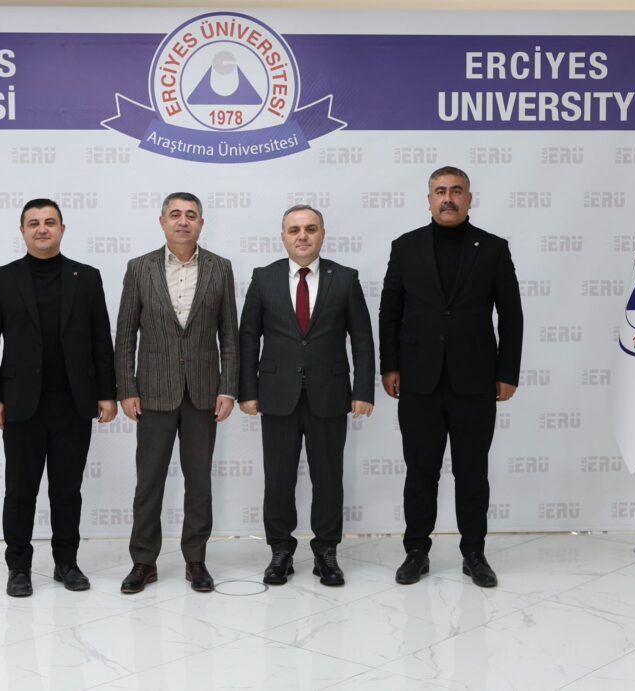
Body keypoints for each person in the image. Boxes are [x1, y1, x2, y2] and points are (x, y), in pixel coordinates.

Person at [379, 166, 523, 588]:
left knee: (472, 473)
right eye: (440, 191)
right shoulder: (405, 247)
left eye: (456, 191)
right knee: (420, 472)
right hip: (418, 380)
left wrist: (507, 372)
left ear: (469, 199)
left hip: (475, 381)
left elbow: (511, 314)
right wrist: (390, 366)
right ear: (428, 199)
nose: (448, 198)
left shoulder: (493, 248)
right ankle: (416, 552)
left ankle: (474, 553)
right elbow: (390, 311)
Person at [0, 198, 117, 597]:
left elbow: (100, 340)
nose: (42, 228)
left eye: (50, 222)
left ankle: (66, 563)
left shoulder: (86, 277)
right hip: (21, 404)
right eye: (34, 222)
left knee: (67, 490)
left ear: (62, 229)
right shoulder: (2, 279)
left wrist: (107, 394)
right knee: (20, 491)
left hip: (74, 402)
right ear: (22, 231)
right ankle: (18, 567)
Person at [239, 204, 375, 587]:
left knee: (328, 478)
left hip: (329, 395)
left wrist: (363, 390)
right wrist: (247, 391)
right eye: (294, 229)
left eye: (310, 229)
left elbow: (362, 339)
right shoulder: (264, 278)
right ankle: (280, 551)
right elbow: (248, 337)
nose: (302, 236)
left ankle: (326, 552)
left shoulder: (345, 278)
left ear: (322, 234)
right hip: (276, 396)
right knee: (278, 479)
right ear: (283, 236)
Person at [115, 192, 239, 594]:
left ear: (201, 223)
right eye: (175, 215)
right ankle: (143, 562)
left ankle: (196, 560)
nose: (183, 221)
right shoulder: (140, 268)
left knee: (199, 482)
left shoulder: (221, 268)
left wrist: (229, 388)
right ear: (162, 222)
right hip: (152, 391)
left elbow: (230, 336)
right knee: (148, 481)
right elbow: (125, 335)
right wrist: (127, 388)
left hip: (204, 392)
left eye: (191, 215)